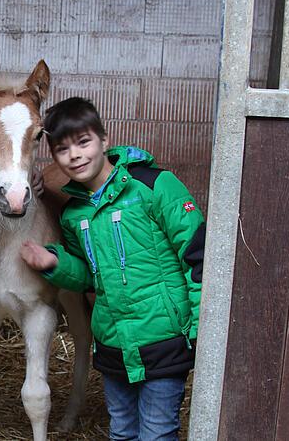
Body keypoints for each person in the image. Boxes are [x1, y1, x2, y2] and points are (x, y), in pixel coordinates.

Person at [20, 97, 205, 441]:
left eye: (83, 142)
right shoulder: (75, 214)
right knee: (121, 431)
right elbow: (89, 275)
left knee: (157, 432)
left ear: (105, 141)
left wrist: (197, 332)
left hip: (163, 339)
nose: (74, 155)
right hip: (112, 345)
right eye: (62, 149)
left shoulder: (155, 185)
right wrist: (56, 263)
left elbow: (198, 256)